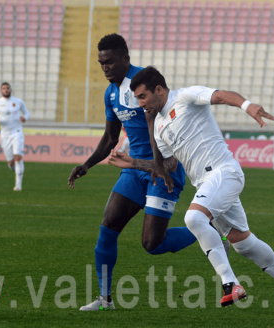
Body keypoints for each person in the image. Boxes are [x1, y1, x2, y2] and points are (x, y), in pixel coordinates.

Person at [108, 66, 274, 317]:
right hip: (207, 185)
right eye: (138, 98)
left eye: (142, 97)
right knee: (243, 243)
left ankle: (230, 283)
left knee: (193, 218)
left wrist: (248, 106)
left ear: (158, 90)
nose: (140, 104)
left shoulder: (186, 96)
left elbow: (222, 95)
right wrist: (133, 162)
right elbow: (168, 166)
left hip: (224, 172)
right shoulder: (158, 126)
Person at [68, 34, 201, 311]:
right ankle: (105, 300)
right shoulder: (111, 93)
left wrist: (159, 166)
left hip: (162, 169)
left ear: (125, 59)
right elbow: (109, 137)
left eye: (110, 62)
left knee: (153, 244)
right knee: (107, 230)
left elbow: (161, 127)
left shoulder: (142, 86)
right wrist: (88, 164)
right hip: (133, 170)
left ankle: (209, 228)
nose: (105, 68)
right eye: (101, 63)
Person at [0, 82, 30, 191]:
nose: (6, 90)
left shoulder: (18, 102)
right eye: (3, 88)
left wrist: (24, 118)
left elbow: (27, 113)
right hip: (5, 134)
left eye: (7, 88)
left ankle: (18, 184)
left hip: (17, 132)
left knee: (18, 157)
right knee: (11, 161)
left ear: (10, 90)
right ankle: (14, 167)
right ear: (0, 91)